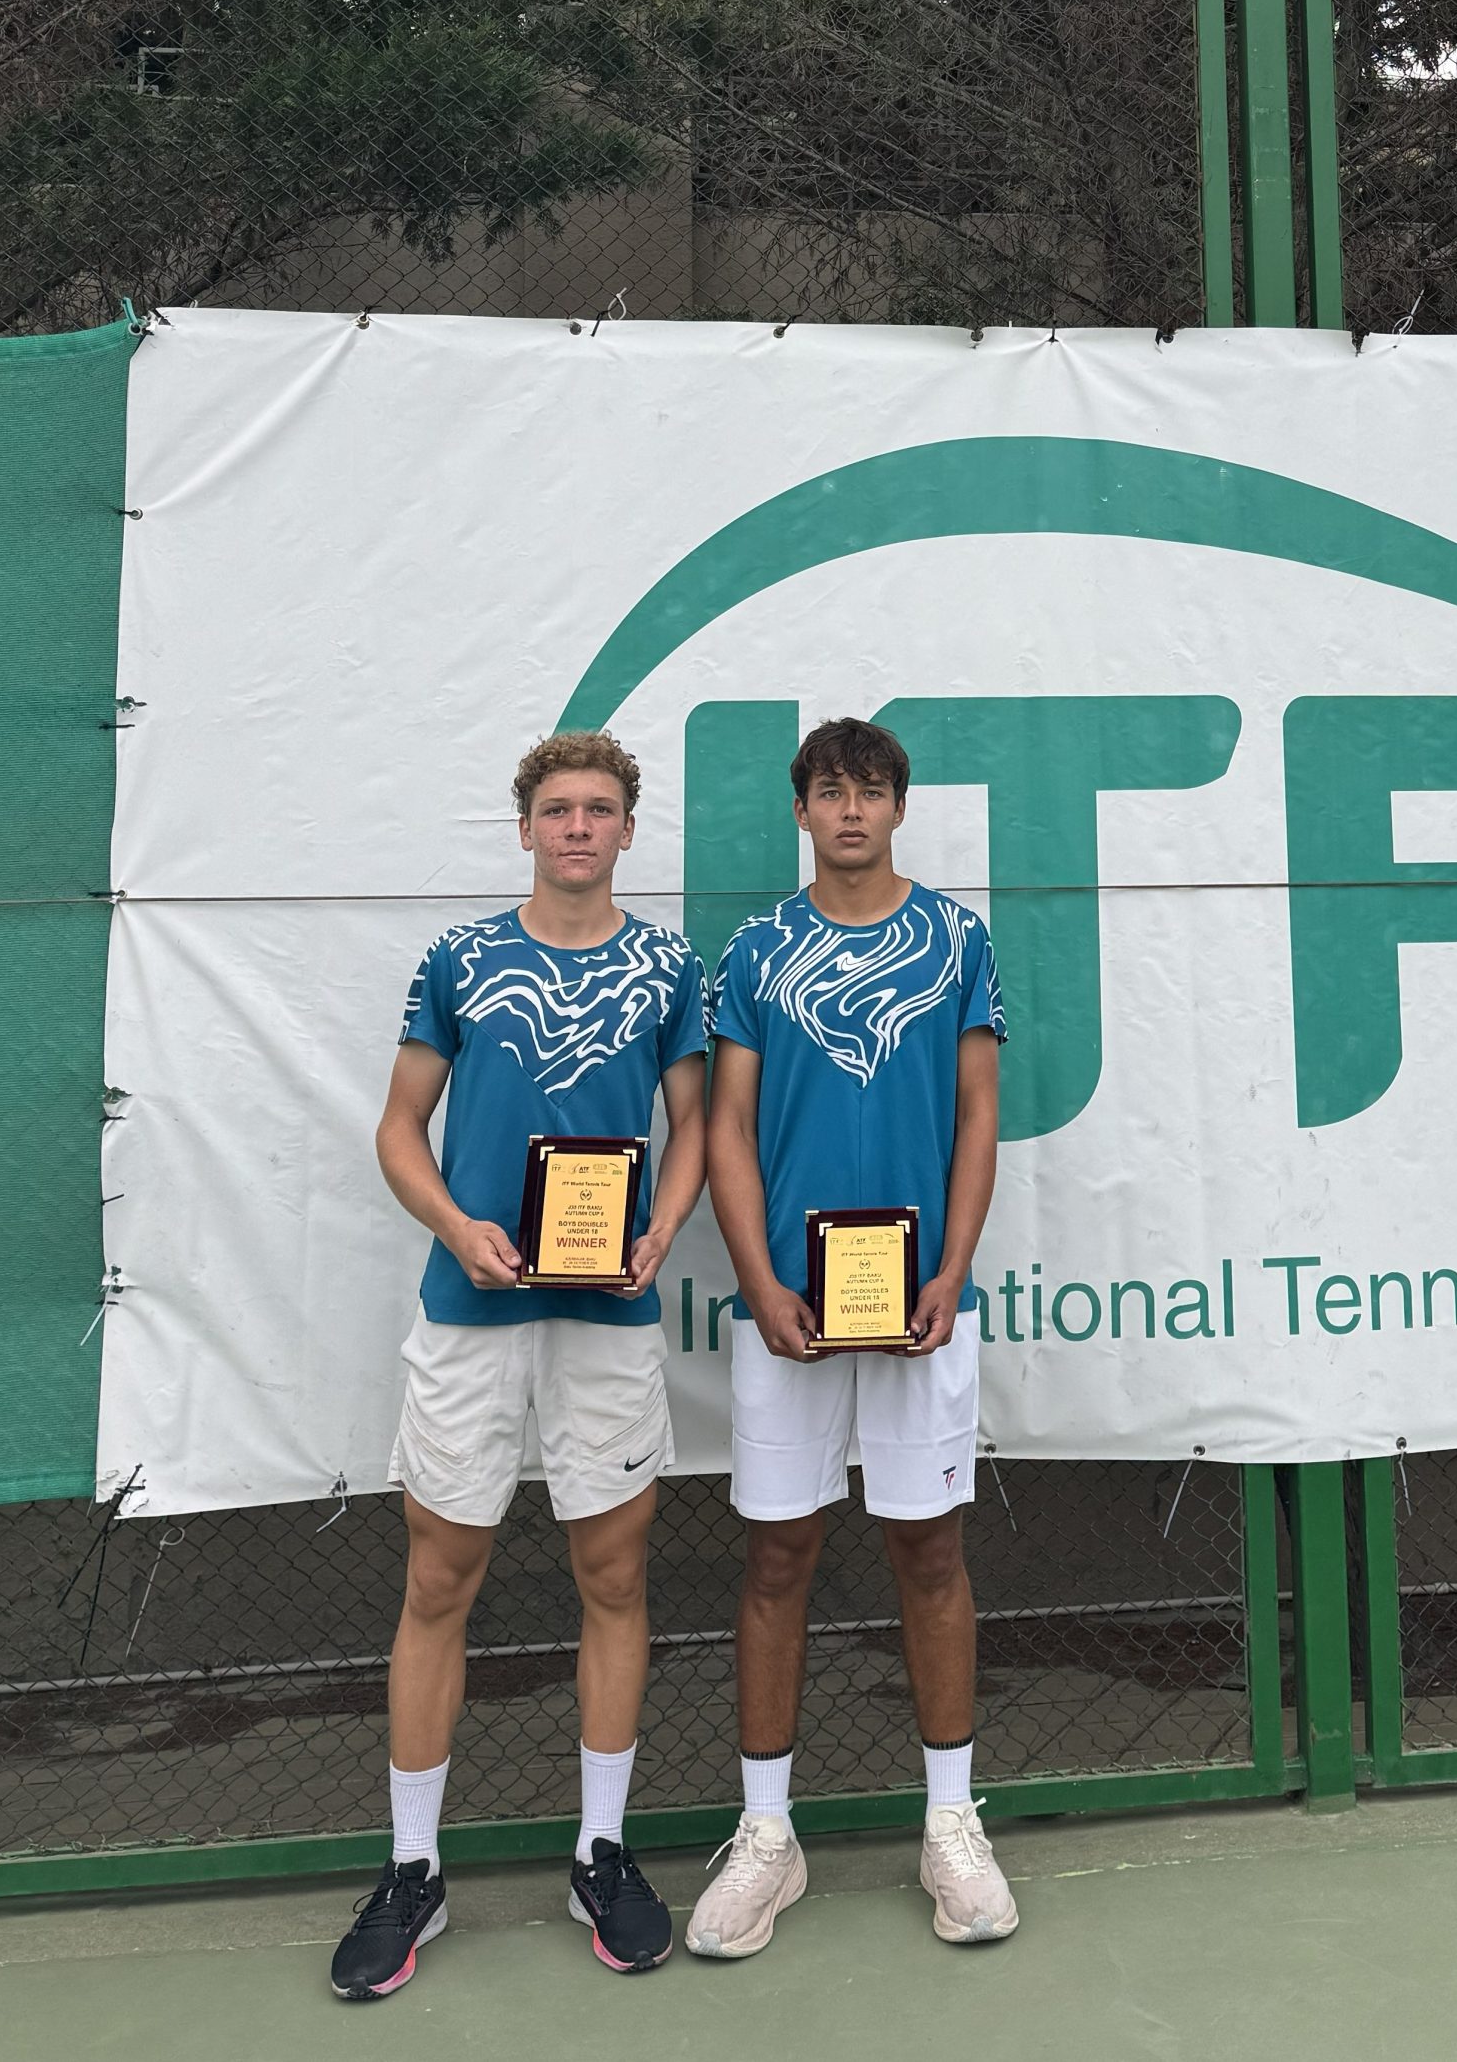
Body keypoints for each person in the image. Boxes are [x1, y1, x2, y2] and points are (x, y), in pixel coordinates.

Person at [329, 730, 707, 1999]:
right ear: (527, 828)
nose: (578, 827)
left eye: (599, 808)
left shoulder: (668, 967)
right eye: (557, 809)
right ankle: (414, 1868)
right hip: (469, 1309)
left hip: (607, 1315)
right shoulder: (462, 958)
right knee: (440, 1577)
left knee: (614, 1572)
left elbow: (695, 1126)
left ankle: (600, 1849)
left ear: (628, 828)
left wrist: (661, 1229)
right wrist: (455, 1225)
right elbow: (399, 1126)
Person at [688, 716, 1014, 1958]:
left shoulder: (957, 939)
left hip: (923, 1304)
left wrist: (952, 1267)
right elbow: (726, 1126)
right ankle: (768, 1834)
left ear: (899, 807)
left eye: (871, 790)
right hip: (789, 1308)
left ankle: (950, 1821)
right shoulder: (758, 948)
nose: (851, 810)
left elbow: (977, 1113)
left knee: (929, 1548)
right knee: (779, 1553)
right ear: (801, 810)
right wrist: (760, 1280)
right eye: (829, 791)